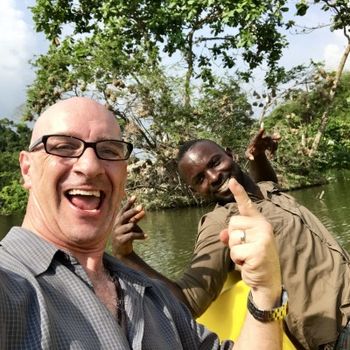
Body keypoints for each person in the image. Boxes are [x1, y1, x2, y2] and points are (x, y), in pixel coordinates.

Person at [0, 97, 286, 349]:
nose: (90, 166)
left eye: (110, 150)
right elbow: (193, 296)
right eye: (64, 147)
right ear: (27, 169)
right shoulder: (10, 282)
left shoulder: (153, 295)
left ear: (124, 175)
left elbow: (266, 186)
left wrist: (265, 292)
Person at [113, 137, 350, 350]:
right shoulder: (221, 223)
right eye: (200, 178)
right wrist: (127, 257)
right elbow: (189, 300)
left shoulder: (266, 190)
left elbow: (267, 184)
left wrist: (257, 157)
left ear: (230, 154)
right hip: (337, 330)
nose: (214, 177)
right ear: (194, 190)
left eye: (215, 163)